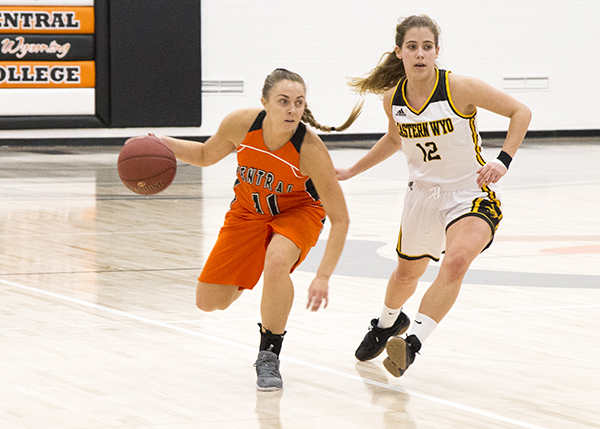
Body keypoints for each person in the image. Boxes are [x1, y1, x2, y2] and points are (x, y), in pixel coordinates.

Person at [128, 68, 362, 390]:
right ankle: (248, 277)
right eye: (283, 101)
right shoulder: (241, 124)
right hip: (248, 211)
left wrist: (323, 276)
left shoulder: (309, 149)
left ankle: (269, 355)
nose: (291, 109)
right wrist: (157, 143)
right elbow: (204, 154)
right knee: (209, 301)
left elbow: (341, 218)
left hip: (299, 211)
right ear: (264, 102)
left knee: (277, 262)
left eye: (298, 102)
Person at [336, 15, 531, 377]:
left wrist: (503, 160)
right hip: (423, 195)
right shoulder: (393, 99)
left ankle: (411, 346)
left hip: (470, 191)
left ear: (437, 51)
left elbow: (521, 111)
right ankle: (386, 323)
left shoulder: (459, 87)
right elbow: (395, 140)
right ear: (399, 52)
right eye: (412, 47)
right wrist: (351, 170)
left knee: (457, 260)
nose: (420, 53)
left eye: (427, 47)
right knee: (406, 274)